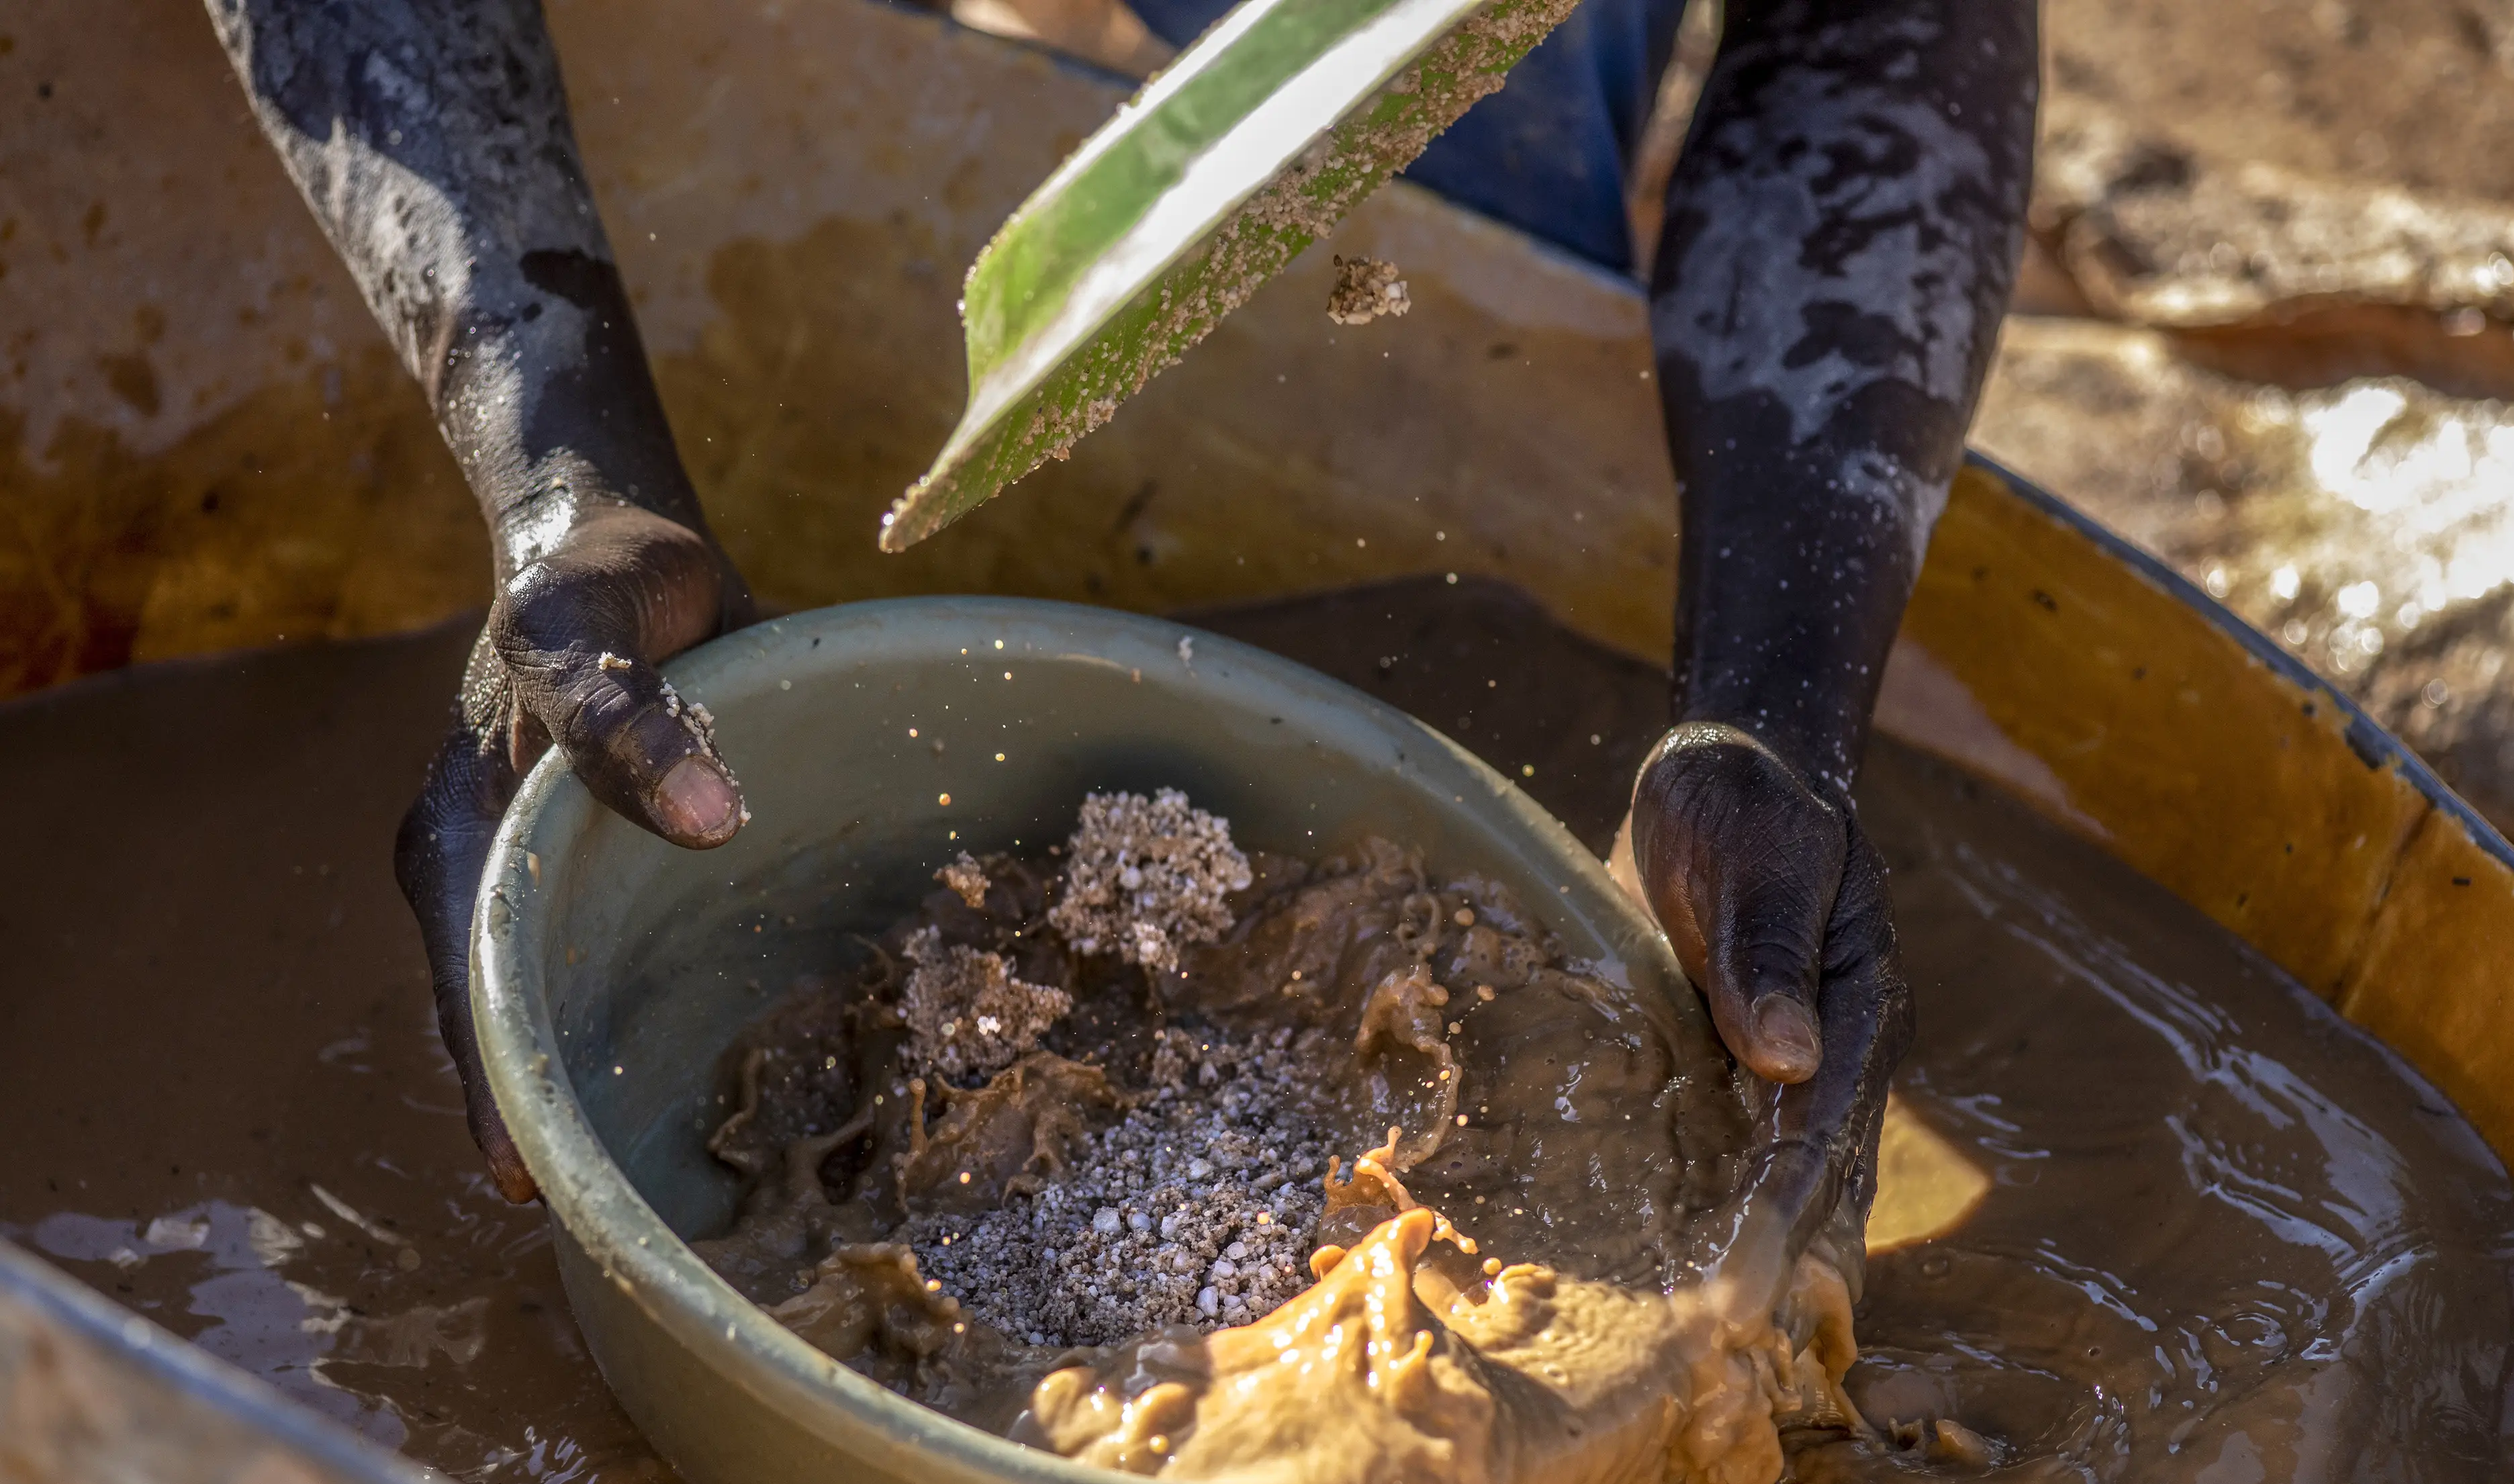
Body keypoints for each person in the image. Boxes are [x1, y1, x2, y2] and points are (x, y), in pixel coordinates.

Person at [203, 0, 2035, 1281]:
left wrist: (1775, 703)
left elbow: (1879, 30)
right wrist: (553, 456)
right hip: (688, 137)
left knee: (1428, 288)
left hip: (1403, 128)